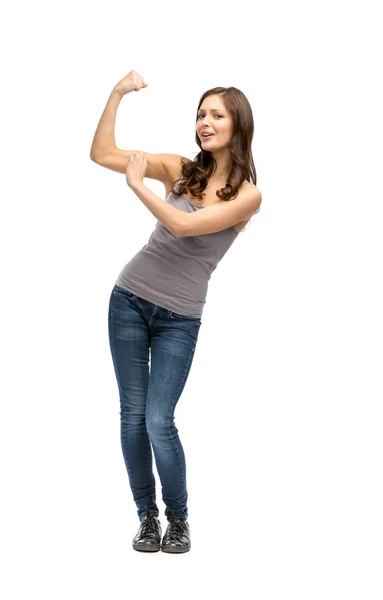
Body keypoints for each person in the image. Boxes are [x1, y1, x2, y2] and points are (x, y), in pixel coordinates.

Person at [90, 70, 262, 554]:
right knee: (132, 417)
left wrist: (138, 189)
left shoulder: (248, 196)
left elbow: (185, 229)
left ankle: (178, 519)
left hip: (179, 320)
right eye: (200, 114)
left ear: (238, 125)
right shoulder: (182, 169)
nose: (204, 122)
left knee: (159, 421)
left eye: (216, 115)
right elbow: (103, 154)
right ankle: (147, 517)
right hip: (127, 300)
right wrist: (116, 94)